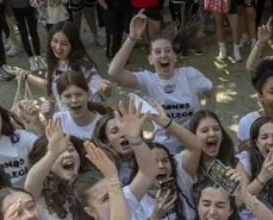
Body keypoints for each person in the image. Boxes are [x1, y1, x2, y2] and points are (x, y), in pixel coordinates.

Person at [108, 12, 216, 153]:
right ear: (150, 59)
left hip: (193, 145)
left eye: (167, 51)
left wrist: (204, 123)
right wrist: (132, 38)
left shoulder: (190, 74)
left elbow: (210, 92)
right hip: (164, 150)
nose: (163, 55)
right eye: (157, 52)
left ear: (175, 56)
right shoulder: (147, 80)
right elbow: (114, 73)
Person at [19, 21, 111, 111]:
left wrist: (104, 88)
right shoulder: (55, 62)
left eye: (64, 44)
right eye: (55, 41)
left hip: (87, 118)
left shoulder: (82, 64)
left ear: (73, 45)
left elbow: (99, 84)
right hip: (68, 118)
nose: (58, 47)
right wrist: (24, 74)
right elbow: (50, 84)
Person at [25, 126, 87, 220]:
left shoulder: (92, 179)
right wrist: (53, 153)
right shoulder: (42, 194)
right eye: (59, 153)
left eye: (71, 149)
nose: (67, 154)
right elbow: (31, 184)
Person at [51, 71, 112, 140]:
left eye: (79, 94)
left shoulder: (104, 123)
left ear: (88, 94)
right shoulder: (59, 120)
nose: (74, 100)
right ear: (60, 98)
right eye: (68, 96)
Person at [8, 0, 44, 71]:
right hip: (15, 9)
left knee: (34, 33)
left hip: (30, 6)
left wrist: (36, 8)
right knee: (23, 35)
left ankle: (39, 57)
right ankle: (31, 59)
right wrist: (10, 14)